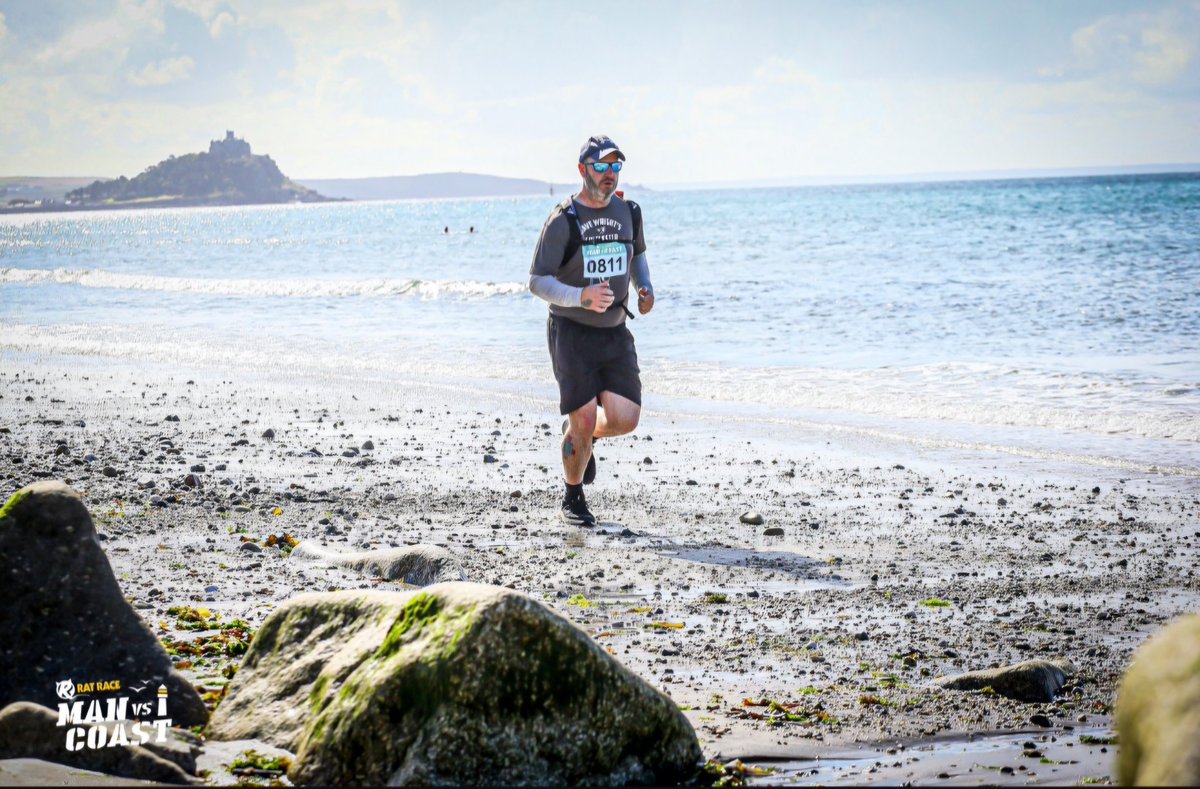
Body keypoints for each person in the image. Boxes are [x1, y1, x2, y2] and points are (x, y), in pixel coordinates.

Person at [528, 135, 655, 526]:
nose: (610, 175)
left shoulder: (629, 212)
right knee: (582, 418)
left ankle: (585, 438)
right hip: (572, 332)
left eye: (616, 166)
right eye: (601, 166)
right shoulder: (563, 220)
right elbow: (537, 281)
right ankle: (573, 496)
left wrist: (644, 288)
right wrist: (579, 296)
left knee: (625, 418)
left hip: (615, 332)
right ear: (583, 169)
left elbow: (638, 257)